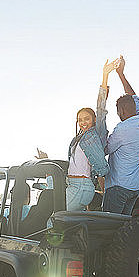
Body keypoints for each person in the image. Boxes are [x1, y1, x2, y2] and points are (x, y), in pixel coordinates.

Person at [37, 60, 118, 211]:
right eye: (80, 120)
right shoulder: (77, 139)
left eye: (86, 119)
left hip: (81, 186)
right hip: (73, 184)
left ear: (93, 120)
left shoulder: (95, 134)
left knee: (54, 218)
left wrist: (105, 75)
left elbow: (101, 107)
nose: (83, 122)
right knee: (69, 223)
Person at [97, 56, 139, 215]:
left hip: (118, 187)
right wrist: (121, 74)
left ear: (120, 112)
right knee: (123, 227)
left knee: (109, 225)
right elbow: (133, 96)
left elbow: (105, 149)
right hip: (134, 187)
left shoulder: (121, 130)